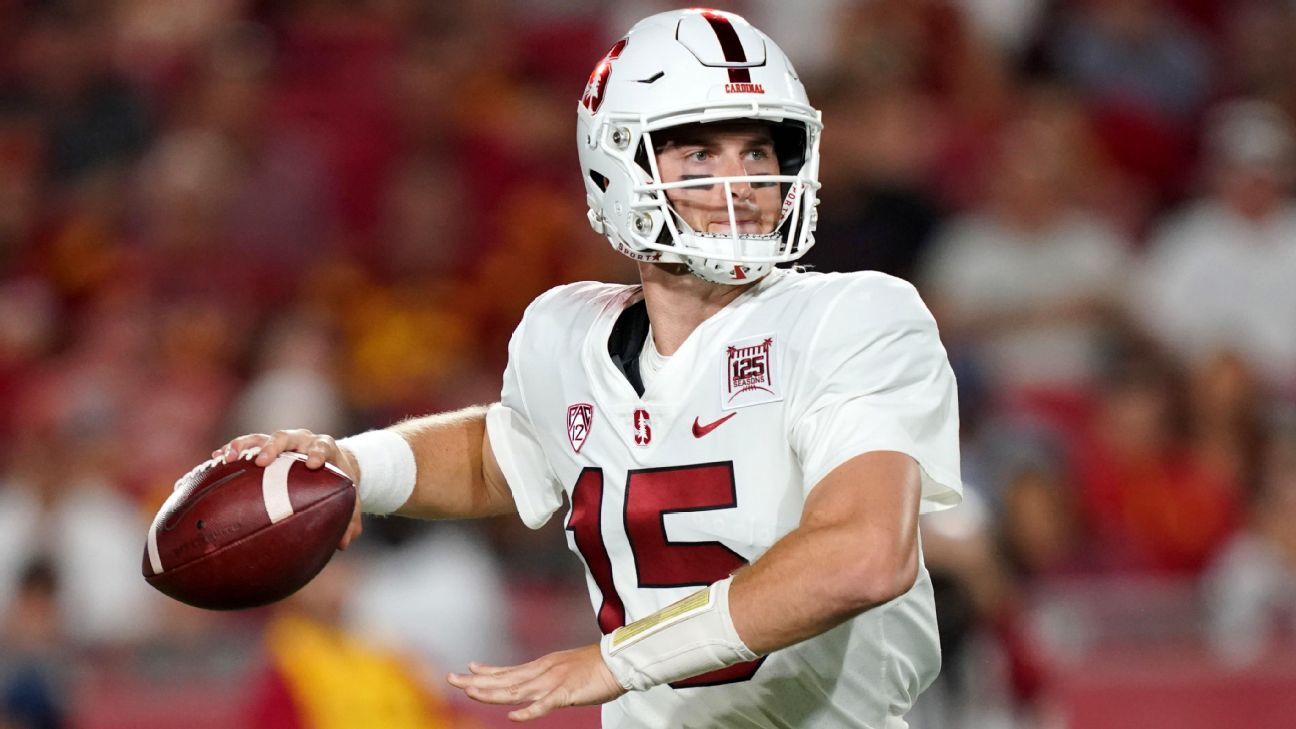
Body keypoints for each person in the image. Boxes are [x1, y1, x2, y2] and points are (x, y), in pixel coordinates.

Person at [216, 9, 961, 728]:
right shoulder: (564, 332)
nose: (742, 181)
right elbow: (498, 457)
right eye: (700, 153)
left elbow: (864, 553)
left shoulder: (854, 316)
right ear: (619, 165)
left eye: (760, 151)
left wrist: (621, 661)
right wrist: (354, 466)